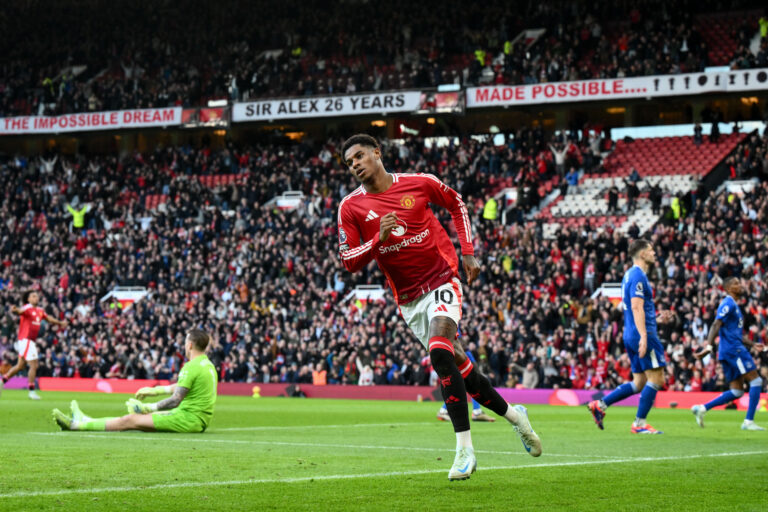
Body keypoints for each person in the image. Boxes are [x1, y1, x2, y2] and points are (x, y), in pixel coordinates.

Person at [338, 134, 541, 481]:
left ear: (377, 152)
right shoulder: (350, 207)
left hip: (442, 279)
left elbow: (457, 204)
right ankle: (515, 417)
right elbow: (348, 261)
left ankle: (464, 449)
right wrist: (378, 240)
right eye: (349, 162)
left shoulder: (419, 183)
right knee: (462, 370)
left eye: (359, 156)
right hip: (409, 300)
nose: (355, 164)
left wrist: (467, 250)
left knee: (438, 349)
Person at [53, 329, 217, 433]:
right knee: (136, 423)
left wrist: (147, 407)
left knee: (131, 420)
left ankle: (76, 425)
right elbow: (183, 387)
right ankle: (85, 420)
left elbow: (176, 400)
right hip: (194, 419)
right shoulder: (208, 365)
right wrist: (155, 390)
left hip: (188, 419)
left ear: (189, 345)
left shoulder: (191, 367)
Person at [588, 240, 673, 434]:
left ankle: (600, 405)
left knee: (639, 382)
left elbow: (629, 307)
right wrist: (645, 334)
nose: (654, 253)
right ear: (642, 254)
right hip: (643, 334)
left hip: (631, 333)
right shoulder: (637, 275)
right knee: (657, 378)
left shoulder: (628, 275)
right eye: (651, 250)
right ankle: (639, 424)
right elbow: (635, 306)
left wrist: (656, 319)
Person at [691, 278, 765, 431]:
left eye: (740, 282)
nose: (740, 285)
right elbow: (716, 324)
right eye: (736, 283)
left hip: (729, 350)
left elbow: (735, 333)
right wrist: (709, 347)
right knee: (756, 381)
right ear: (728, 288)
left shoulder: (734, 306)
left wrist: (752, 344)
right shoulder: (728, 303)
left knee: (737, 391)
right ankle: (748, 422)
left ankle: (702, 409)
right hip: (734, 350)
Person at [1, 291, 68, 400]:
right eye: (33, 296)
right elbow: (20, 311)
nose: (36, 298)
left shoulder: (40, 311)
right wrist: (15, 310)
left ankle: (2, 381)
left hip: (28, 341)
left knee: (20, 366)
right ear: (28, 299)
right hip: (26, 340)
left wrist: (60, 323)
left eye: (37, 296)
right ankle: (31, 392)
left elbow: (48, 318)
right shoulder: (27, 308)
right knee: (34, 365)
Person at [437, 351, 495, 422]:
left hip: (455, 356)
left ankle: (443, 410)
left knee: (461, 389)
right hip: (460, 356)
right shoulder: (463, 348)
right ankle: (477, 412)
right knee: (471, 386)